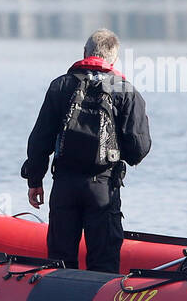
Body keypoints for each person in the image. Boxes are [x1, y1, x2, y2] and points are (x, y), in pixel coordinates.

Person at [22, 29, 151, 273]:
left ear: (84, 53)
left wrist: (34, 180)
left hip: (64, 185)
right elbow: (138, 150)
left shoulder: (60, 86)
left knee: (59, 260)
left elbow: (40, 138)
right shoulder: (126, 92)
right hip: (103, 186)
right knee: (104, 262)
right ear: (114, 60)